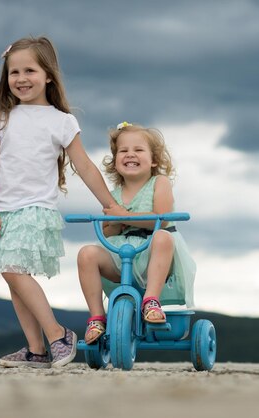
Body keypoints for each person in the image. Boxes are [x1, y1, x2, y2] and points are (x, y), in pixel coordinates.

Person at [0, 36, 117, 368]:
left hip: (34, 210)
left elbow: (84, 165)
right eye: (14, 72)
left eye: (30, 70)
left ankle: (58, 335)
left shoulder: (61, 121)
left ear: (48, 75)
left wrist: (109, 204)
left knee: (12, 270)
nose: (21, 78)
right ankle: (35, 351)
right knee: (15, 279)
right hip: (2, 210)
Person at [77, 122, 196, 344]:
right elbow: (108, 230)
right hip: (122, 255)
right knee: (86, 254)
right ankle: (96, 317)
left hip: (153, 251)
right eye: (123, 151)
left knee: (163, 236)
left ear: (153, 160)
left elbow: (160, 218)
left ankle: (151, 300)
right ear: (115, 162)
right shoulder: (113, 194)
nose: (130, 154)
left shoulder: (159, 183)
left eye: (138, 150)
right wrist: (114, 221)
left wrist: (123, 216)